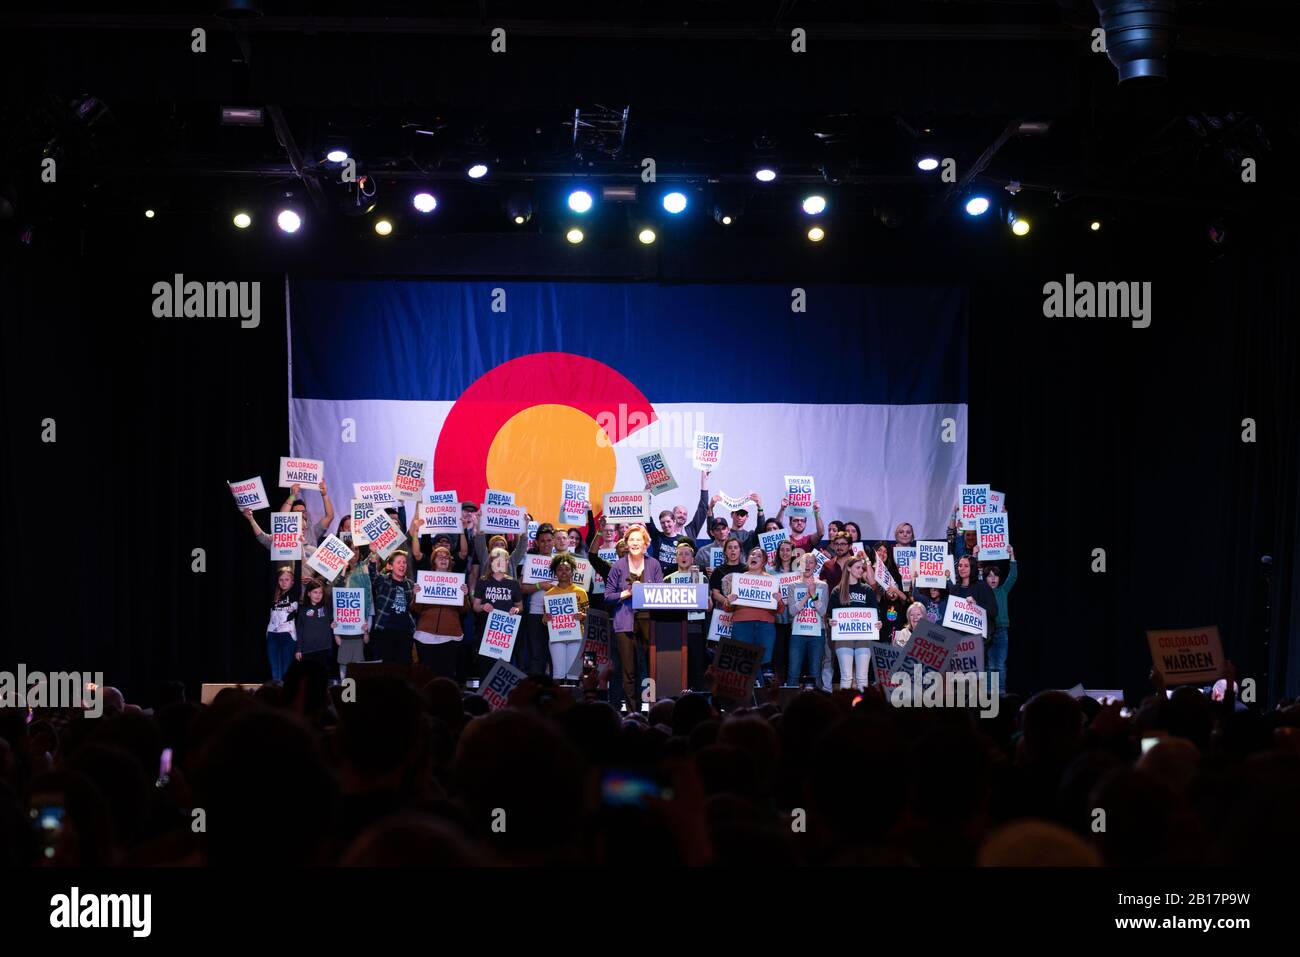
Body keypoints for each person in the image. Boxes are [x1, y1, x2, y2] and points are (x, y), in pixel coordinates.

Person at [603, 525, 664, 712]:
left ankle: (652, 709)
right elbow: (607, 597)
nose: (635, 543)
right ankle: (632, 713)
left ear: (645, 543)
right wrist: (625, 594)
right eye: (631, 540)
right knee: (628, 671)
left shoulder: (653, 564)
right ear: (626, 543)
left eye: (639, 540)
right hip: (624, 623)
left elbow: (661, 593)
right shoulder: (618, 566)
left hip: (648, 621)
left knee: (648, 668)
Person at [723, 547, 786, 682]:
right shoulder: (738, 579)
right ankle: (745, 698)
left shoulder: (771, 581)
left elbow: (780, 610)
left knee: (763, 663)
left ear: (763, 562)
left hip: (765, 627)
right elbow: (728, 608)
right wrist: (728, 601)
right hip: (741, 626)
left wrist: (779, 600)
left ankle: (760, 693)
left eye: (758, 555)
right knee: (743, 663)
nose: (754, 557)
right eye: (752, 554)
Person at [411, 545, 472, 679]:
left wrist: (464, 595)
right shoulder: (424, 581)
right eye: (440, 556)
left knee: (446, 676)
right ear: (433, 561)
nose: (444, 559)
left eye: (446, 557)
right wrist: (416, 595)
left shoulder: (458, 582)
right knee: (426, 676)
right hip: (425, 635)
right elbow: (416, 609)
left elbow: (464, 611)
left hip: (450, 636)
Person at [827, 553, 880, 691]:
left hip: (863, 638)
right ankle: (845, 709)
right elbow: (829, 614)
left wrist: (878, 623)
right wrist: (830, 621)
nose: (861, 570)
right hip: (844, 638)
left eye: (862, 568)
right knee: (846, 677)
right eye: (858, 567)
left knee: (862, 678)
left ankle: (862, 709)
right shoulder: (837, 591)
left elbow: (875, 613)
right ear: (849, 569)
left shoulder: (867, 590)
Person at [472, 546, 524, 678]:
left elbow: (520, 606)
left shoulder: (513, 583)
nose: (500, 562)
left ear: (507, 562)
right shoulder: (483, 582)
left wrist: (516, 609)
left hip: (505, 633)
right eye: (496, 559)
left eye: (503, 559)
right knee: (485, 667)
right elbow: (475, 606)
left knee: (502, 669)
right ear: (491, 562)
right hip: (486, 632)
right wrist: (483, 606)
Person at [543, 553, 590, 681]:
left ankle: (573, 700)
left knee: (573, 674)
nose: (564, 572)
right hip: (556, 637)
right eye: (560, 569)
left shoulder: (581, 592)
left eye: (567, 569)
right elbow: (545, 619)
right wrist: (545, 619)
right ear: (555, 572)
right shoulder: (548, 594)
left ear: (572, 571)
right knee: (558, 673)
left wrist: (582, 616)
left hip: (576, 636)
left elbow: (588, 616)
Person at [367, 549, 416, 665]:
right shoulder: (384, 580)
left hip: (405, 631)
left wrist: (416, 595)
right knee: (387, 666)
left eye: (404, 562)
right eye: (399, 562)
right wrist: (374, 555)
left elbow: (413, 608)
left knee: (404, 667)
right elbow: (372, 576)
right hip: (386, 630)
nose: (402, 565)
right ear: (391, 565)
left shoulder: (410, 584)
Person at [787, 552, 829, 688]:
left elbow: (823, 612)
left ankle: (817, 703)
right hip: (797, 633)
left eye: (811, 562)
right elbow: (792, 612)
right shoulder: (793, 585)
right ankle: (790, 704)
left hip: (817, 634)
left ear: (815, 566)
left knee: (815, 672)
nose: (807, 565)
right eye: (805, 562)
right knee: (793, 671)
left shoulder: (823, 585)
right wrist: (806, 596)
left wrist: (814, 595)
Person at [520, 523, 556, 675]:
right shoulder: (530, 561)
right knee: (537, 655)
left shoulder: (562, 561)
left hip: (557, 613)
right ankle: (535, 691)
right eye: (542, 541)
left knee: (555, 655)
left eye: (549, 540)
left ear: (553, 541)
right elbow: (522, 587)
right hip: (535, 613)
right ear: (537, 543)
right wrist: (540, 585)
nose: (546, 544)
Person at [983, 547, 1018, 694]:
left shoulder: (1003, 590)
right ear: (985, 579)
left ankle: (1001, 694)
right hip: (988, 632)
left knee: (1001, 664)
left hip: (1002, 631)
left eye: (995, 576)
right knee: (990, 665)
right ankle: (990, 693)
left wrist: (1012, 556)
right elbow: (974, 577)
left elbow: (1013, 577)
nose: (992, 578)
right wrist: (974, 555)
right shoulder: (982, 592)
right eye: (989, 576)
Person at [266, 565, 301, 681]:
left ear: (292, 582)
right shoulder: (273, 594)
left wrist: (297, 551)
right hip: (272, 634)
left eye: (287, 579)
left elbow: (297, 571)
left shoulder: (294, 592)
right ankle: (275, 695)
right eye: (281, 579)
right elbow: (271, 574)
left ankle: (286, 695)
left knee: (286, 669)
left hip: (288, 635)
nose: (284, 582)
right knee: (275, 669)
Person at [295, 578, 336, 677]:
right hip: (307, 650)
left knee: (321, 677)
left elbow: (338, 587)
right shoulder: (302, 610)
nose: (318, 595)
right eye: (315, 592)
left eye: (320, 593)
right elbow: (299, 631)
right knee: (308, 677)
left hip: (323, 649)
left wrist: (332, 625)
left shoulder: (326, 607)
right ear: (308, 593)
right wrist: (298, 649)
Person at [279, 480, 335, 547]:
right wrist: (292, 495)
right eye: (296, 512)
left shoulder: (313, 532)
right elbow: (281, 517)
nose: (300, 514)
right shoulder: (285, 533)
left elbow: (329, 516)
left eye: (303, 511)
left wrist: (324, 495)